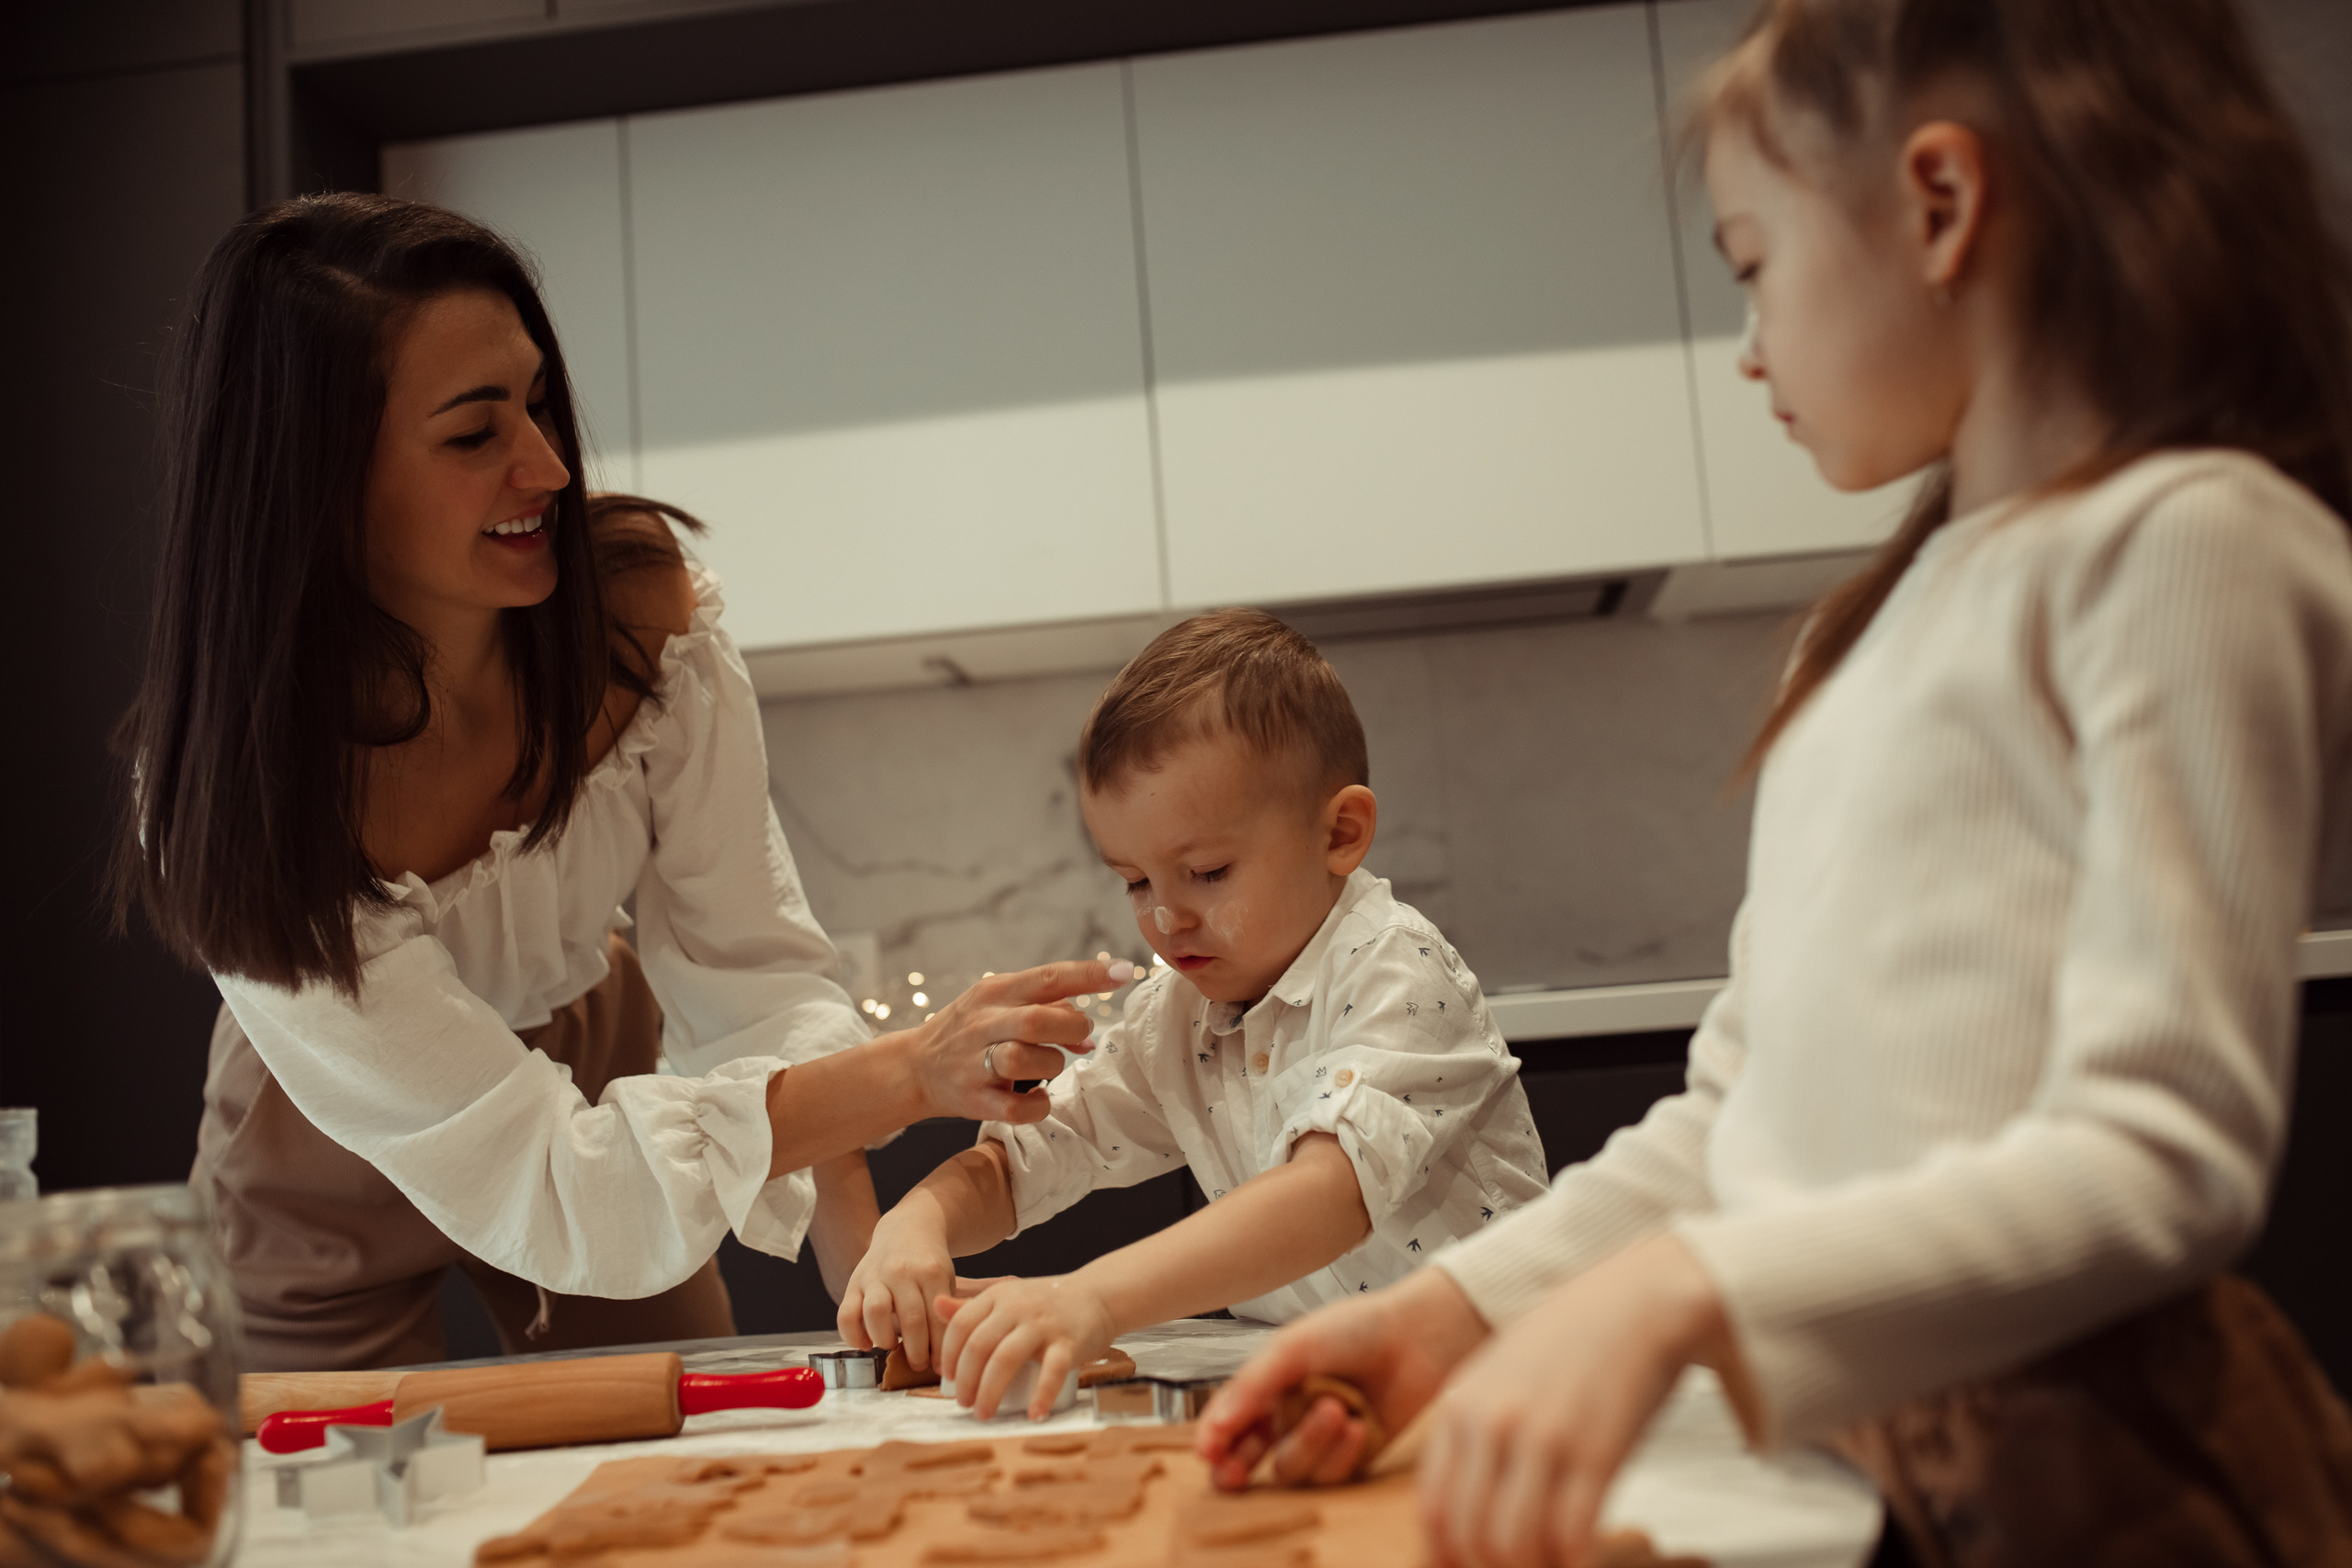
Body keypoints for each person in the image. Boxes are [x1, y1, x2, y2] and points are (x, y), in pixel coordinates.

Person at [1196, 1, 2352, 1563]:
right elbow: (1735, 1123)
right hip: (1847, 1459)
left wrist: (1684, 1297)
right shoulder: (1866, 629)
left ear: (1940, 206)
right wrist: (1446, 1316)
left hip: (2095, 1474)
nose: (1745, 349)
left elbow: (2168, 1155)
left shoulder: (2185, 542)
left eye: (1752, 261)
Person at [114, 194, 1117, 1371]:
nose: (545, 464)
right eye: (472, 433)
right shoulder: (238, 803)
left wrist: (872, 1268)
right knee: (308, 1511)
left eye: (536, 402)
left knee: (676, 1445)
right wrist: (908, 1071)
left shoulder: (641, 620)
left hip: (595, 1053)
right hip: (323, 1136)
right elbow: (553, 1181)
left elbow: (749, 969)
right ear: (319, 480)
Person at [836, 611, 1550, 1418]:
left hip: (1509, 1385)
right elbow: (1030, 1155)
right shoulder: (1176, 1016)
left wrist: (1092, 1297)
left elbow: (1326, 1196)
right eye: (1137, 881)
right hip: (1328, 1392)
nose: (1166, 918)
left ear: (1341, 834)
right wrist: (916, 1220)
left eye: (1206, 871)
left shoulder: (1396, 968)